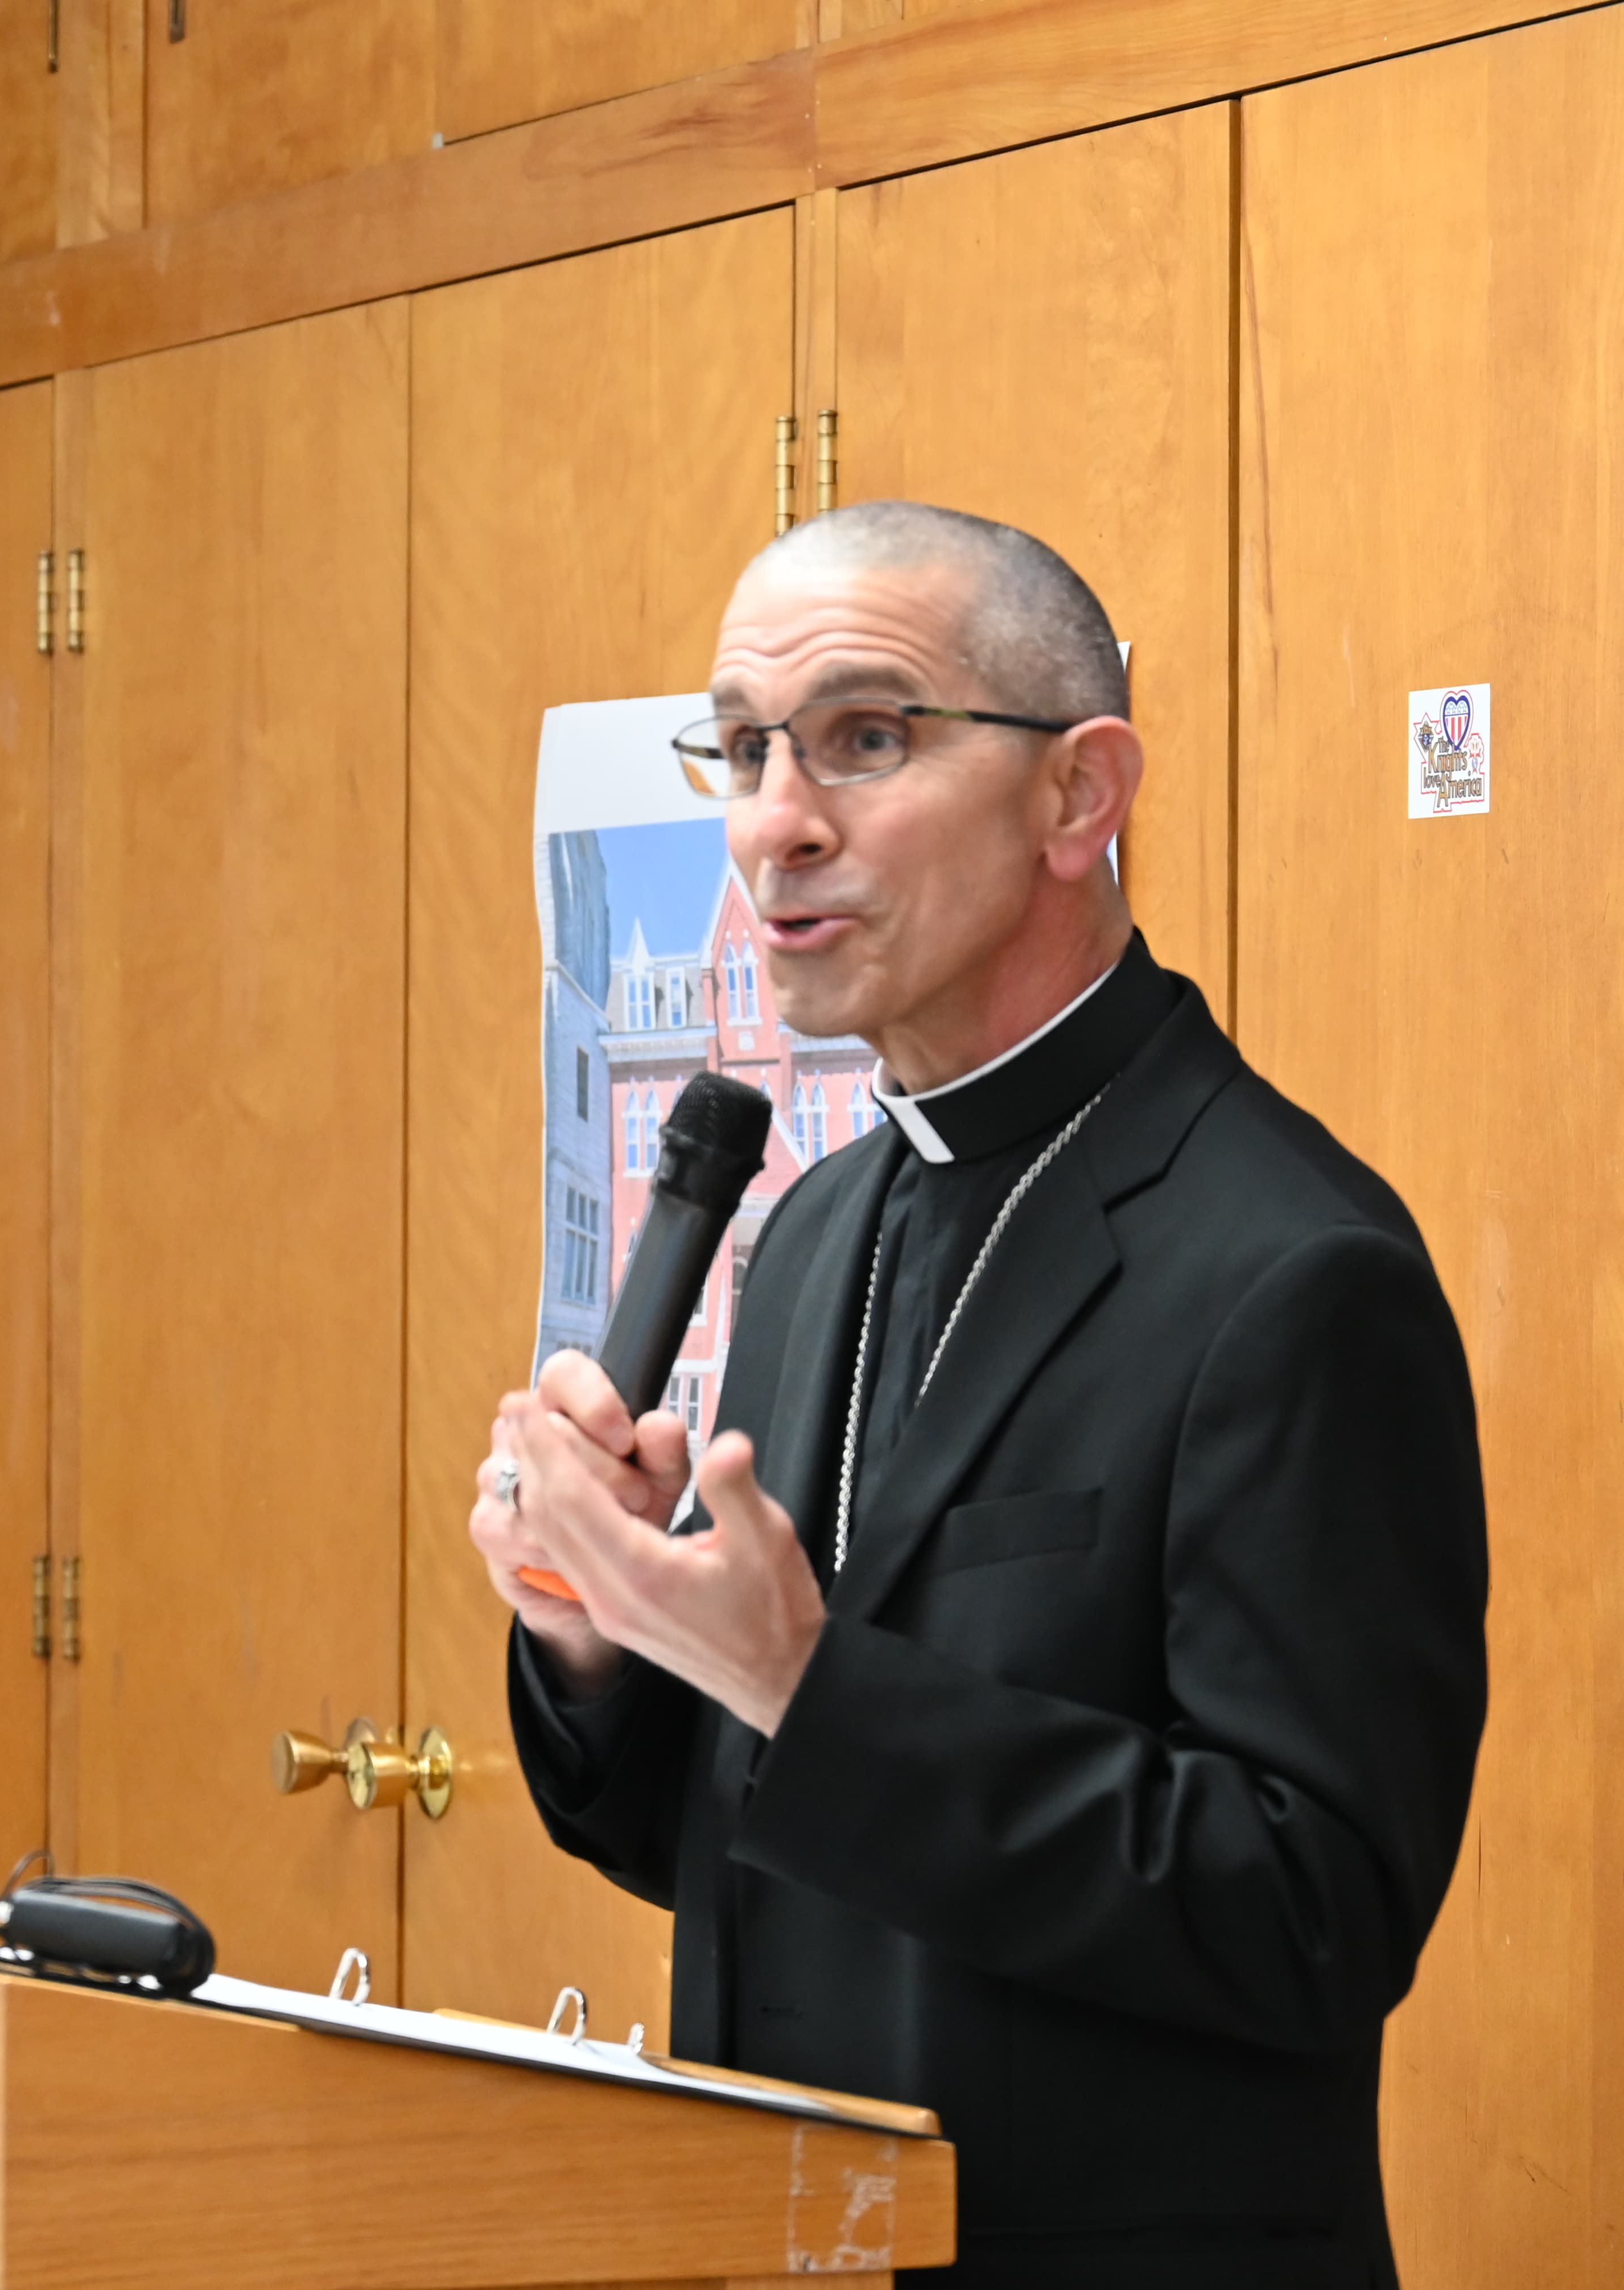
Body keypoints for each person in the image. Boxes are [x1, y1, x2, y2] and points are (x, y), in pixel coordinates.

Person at [471, 503, 1486, 2289]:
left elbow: (1313, 1915)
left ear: (1078, 798)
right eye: (745, 748)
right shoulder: (808, 1233)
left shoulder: (1293, 1269)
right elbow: (751, 1839)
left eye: (868, 738)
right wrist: (604, 1635)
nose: (775, 822)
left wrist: (808, 1686)